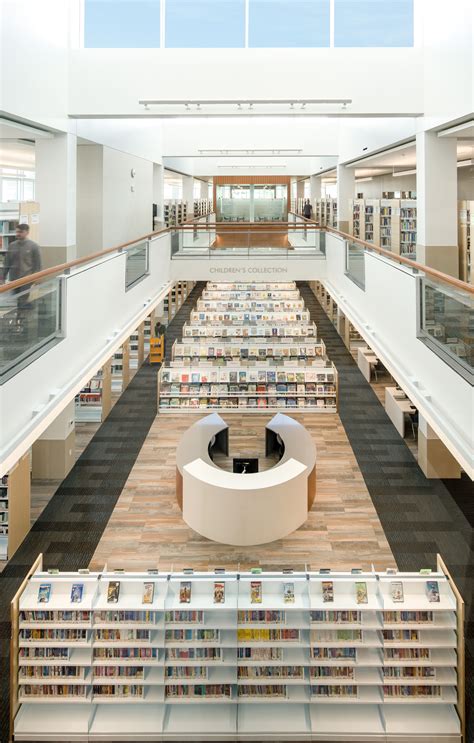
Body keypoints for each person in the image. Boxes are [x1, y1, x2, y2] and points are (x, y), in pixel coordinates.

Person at [5, 224, 42, 309]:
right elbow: (7, 262)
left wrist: (36, 277)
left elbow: (38, 263)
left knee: (23, 299)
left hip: (27, 278)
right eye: (17, 231)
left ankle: (22, 317)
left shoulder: (34, 246)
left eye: (21, 232)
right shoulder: (12, 245)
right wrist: (2, 277)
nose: (18, 234)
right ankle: (21, 315)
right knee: (18, 299)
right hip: (14, 279)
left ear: (27, 232)